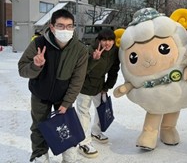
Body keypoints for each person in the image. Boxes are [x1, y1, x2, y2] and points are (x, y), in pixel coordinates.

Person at [18, 9, 88, 163]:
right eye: (61, 26)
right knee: (38, 127)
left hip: (63, 95)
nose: (66, 30)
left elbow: (78, 79)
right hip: (40, 94)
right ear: (52, 27)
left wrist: (67, 102)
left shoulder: (80, 50)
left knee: (66, 126)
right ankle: (40, 155)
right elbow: (22, 69)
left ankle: (69, 154)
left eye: (70, 26)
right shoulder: (38, 43)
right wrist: (36, 66)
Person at [76, 29, 120, 158]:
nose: (107, 43)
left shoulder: (114, 52)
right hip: (84, 86)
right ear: (99, 40)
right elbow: (81, 71)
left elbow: (113, 70)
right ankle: (84, 143)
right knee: (84, 113)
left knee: (101, 109)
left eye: (110, 40)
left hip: (99, 85)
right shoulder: (89, 50)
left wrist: (107, 86)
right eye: (104, 40)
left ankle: (95, 132)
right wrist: (93, 59)